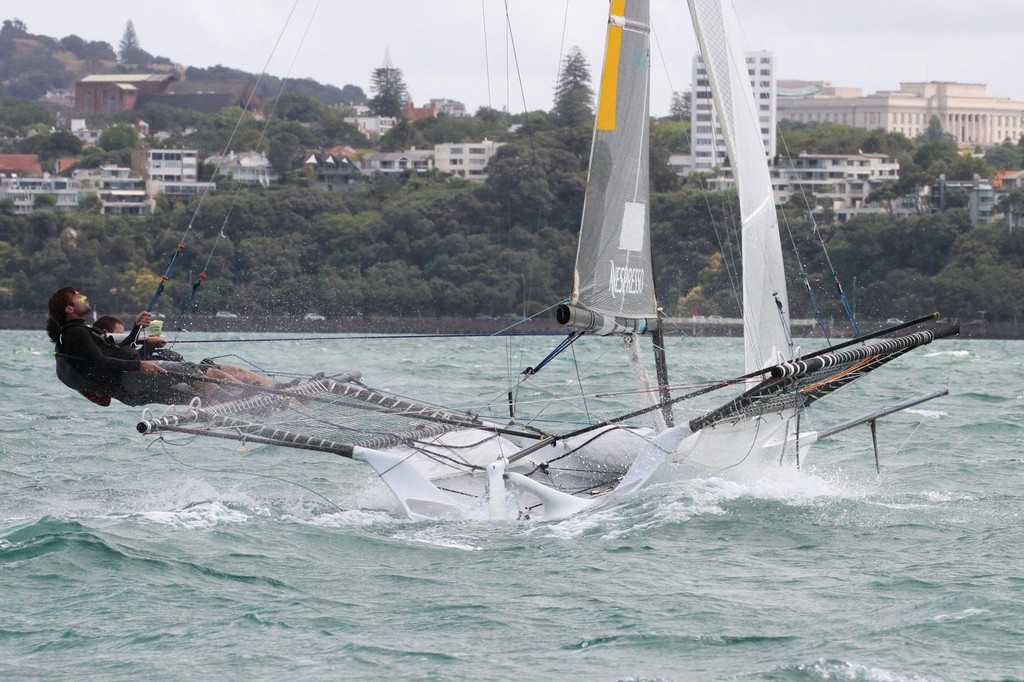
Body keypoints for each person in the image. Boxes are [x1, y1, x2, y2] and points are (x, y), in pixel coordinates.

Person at [46, 287, 269, 407]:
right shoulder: (74, 333)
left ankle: (242, 406)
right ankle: (252, 398)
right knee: (198, 372)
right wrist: (139, 365)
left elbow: (114, 351)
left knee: (188, 395)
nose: (83, 297)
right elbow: (100, 362)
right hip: (131, 378)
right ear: (68, 308)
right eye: (77, 296)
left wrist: (135, 328)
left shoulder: (73, 337)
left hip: (129, 391)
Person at [92, 315, 271, 386]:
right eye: (119, 332)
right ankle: (250, 392)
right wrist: (149, 345)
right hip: (181, 374)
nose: (123, 335)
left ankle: (270, 386)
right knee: (217, 374)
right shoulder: (110, 350)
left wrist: (150, 345)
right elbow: (136, 362)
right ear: (107, 333)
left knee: (234, 369)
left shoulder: (124, 345)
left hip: (186, 365)